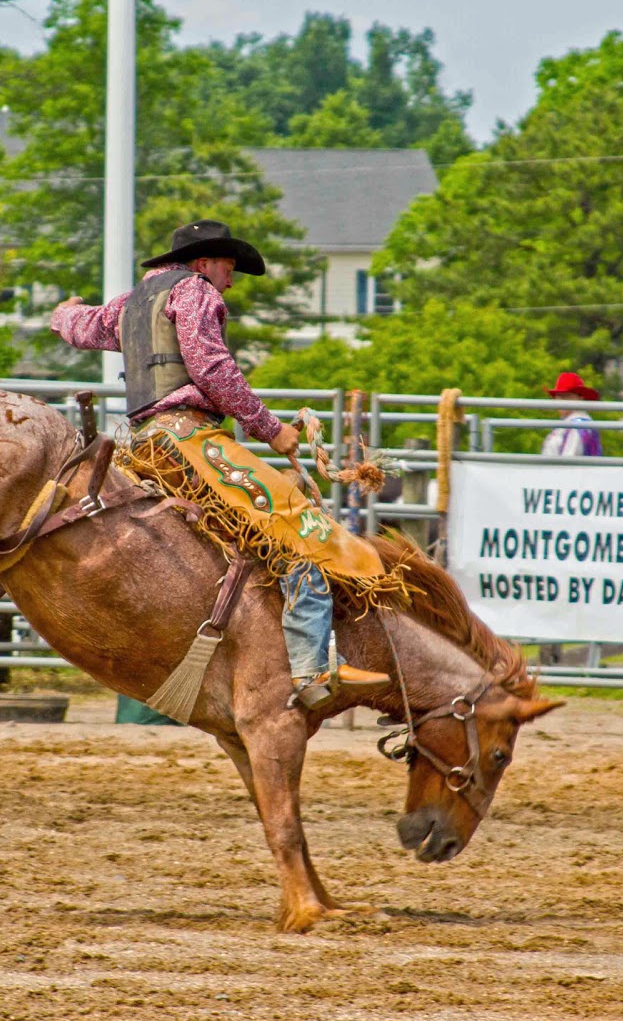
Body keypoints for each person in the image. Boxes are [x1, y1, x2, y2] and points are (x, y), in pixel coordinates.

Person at [51, 219, 392, 715]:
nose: (230, 281)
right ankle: (312, 666)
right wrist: (270, 428)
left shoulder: (134, 301)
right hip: (190, 439)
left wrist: (63, 312)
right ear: (204, 262)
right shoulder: (195, 292)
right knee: (296, 526)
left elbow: (83, 327)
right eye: (228, 269)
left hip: (145, 444)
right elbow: (211, 368)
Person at [541, 371, 603, 457]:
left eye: (567, 396)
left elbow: (568, 461)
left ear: (580, 398)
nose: (562, 401)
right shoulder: (569, 422)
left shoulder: (577, 425)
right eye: (559, 396)